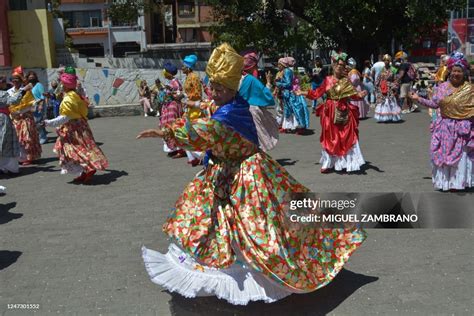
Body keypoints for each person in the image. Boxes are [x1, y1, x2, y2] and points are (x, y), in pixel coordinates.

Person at [138, 43, 367, 305]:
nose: (212, 91)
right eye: (212, 86)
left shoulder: (228, 114)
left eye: (217, 87)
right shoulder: (232, 103)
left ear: (229, 89)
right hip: (224, 170)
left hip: (245, 177)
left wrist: (167, 132)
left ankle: (258, 280)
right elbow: (207, 118)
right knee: (207, 218)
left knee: (258, 226)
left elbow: (204, 131)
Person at [409, 52, 473, 191]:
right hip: (444, 128)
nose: (456, 74)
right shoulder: (442, 87)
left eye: (459, 71)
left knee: (461, 157)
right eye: (454, 71)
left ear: (464, 72)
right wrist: (418, 99)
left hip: (462, 130)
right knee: (441, 154)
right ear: (449, 71)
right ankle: (445, 183)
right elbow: (434, 104)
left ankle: (457, 183)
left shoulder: (470, 89)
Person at [299, 52, 367, 173]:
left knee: (346, 136)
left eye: (342, 64)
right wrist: (303, 92)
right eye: (337, 63)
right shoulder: (327, 80)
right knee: (330, 137)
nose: (339, 66)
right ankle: (329, 163)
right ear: (333, 65)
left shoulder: (346, 81)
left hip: (344, 110)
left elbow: (354, 96)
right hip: (329, 111)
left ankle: (347, 163)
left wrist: (360, 95)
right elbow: (316, 93)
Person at [43, 68, 108, 183]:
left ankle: (89, 168)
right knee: (82, 148)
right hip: (80, 126)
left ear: (66, 85)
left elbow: (64, 117)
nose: (61, 85)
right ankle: (84, 171)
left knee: (75, 150)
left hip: (74, 129)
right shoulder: (74, 95)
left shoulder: (69, 99)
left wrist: (48, 122)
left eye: (62, 83)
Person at [239, 50, 279, 151]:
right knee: (257, 141)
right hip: (252, 113)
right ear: (253, 66)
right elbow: (265, 94)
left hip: (239, 113)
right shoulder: (252, 80)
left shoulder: (239, 78)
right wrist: (269, 82)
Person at [8, 66, 42, 165]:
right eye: (13, 79)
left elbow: (31, 104)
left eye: (17, 79)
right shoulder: (9, 92)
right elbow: (10, 103)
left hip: (25, 118)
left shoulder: (27, 90)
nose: (15, 81)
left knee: (27, 138)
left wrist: (22, 111)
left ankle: (29, 157)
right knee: (18, 139)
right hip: (15, 119)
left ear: (21, 80)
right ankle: (20, 157)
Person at [275, 57, 310, 134]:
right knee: (288, 110)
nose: (278, 66)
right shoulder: (285, 71)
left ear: (282, 64)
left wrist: (279, 83)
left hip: (290, 94)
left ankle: (300, 126)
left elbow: (288, 83)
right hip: (286, 94)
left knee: (295, 110)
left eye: (279, 64)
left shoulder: (287, 71)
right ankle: (288, 126)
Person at [181, 54, 204, 166]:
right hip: (189, 107)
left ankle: (201, 156)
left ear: (188, 67)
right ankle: (192, 157)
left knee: (192, 133)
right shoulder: (189, 77)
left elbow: (197, 94)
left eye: (183, 66)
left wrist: (185, 98)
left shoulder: (194, 77)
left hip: (194, 108)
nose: (182, 68)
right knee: (186, 132)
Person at [0, 76, 24, 174]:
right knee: (6, 141)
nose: (6, 83)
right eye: (4, 81)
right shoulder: (2, 93)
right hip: (2, 118)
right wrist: (22, 91)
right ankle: (8, 167)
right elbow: (13, 101)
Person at [160, 62, 185, 158]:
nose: (164, 73)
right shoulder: (170, 82)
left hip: (173, 108)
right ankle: (172, 148)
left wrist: (171, 93)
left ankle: (178, 149)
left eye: (165, 71)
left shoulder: (175, 82)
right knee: (167, 127)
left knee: (174, 127)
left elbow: (179, 95)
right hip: (168, 108)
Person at [374, 54, 402, 122]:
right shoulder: (382, 69)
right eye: (385, 60)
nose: (386, 62)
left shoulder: (393, 69)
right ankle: (384, 117)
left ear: (389, 61)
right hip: (382, 87)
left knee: (390, 102)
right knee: (383, 102)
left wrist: (395, 87)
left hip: (390, 88)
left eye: (387, 60)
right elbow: (378, 78)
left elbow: (396, 79)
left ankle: (391, 116)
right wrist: (377, 85)